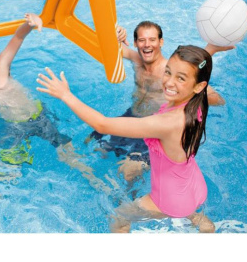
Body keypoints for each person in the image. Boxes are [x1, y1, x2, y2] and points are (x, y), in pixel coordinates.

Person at [36, 45, 225, 233]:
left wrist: (65, 95)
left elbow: (102, 125)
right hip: (194, 186)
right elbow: (196, 73)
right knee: (187, 208)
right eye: (168, 72)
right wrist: (210, 49)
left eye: (180, 78)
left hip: (170, 200)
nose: (169, 82)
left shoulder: (167, 123)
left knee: (119, 217)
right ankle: (203, 223)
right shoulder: (196, 102)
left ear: (199, 86)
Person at [0, 13, 112, 193]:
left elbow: (18, 38)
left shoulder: (0, 68)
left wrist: (30, 24)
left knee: (68, 155)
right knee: (9, 167)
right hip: (13, 127)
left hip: (39, 115)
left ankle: (95, 181)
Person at [88, 21, 230, 183]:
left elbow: (217, 99)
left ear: (161, 42)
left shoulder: (169, 72)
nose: (147, 44)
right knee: (92, 149)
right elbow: (105, 47)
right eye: (142, 40)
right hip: (131, 116)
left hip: (153, 128)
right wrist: (114, 34)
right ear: (135, 43)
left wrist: (192, 92)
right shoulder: (137, 60)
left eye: (152, 39)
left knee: (127, 174)